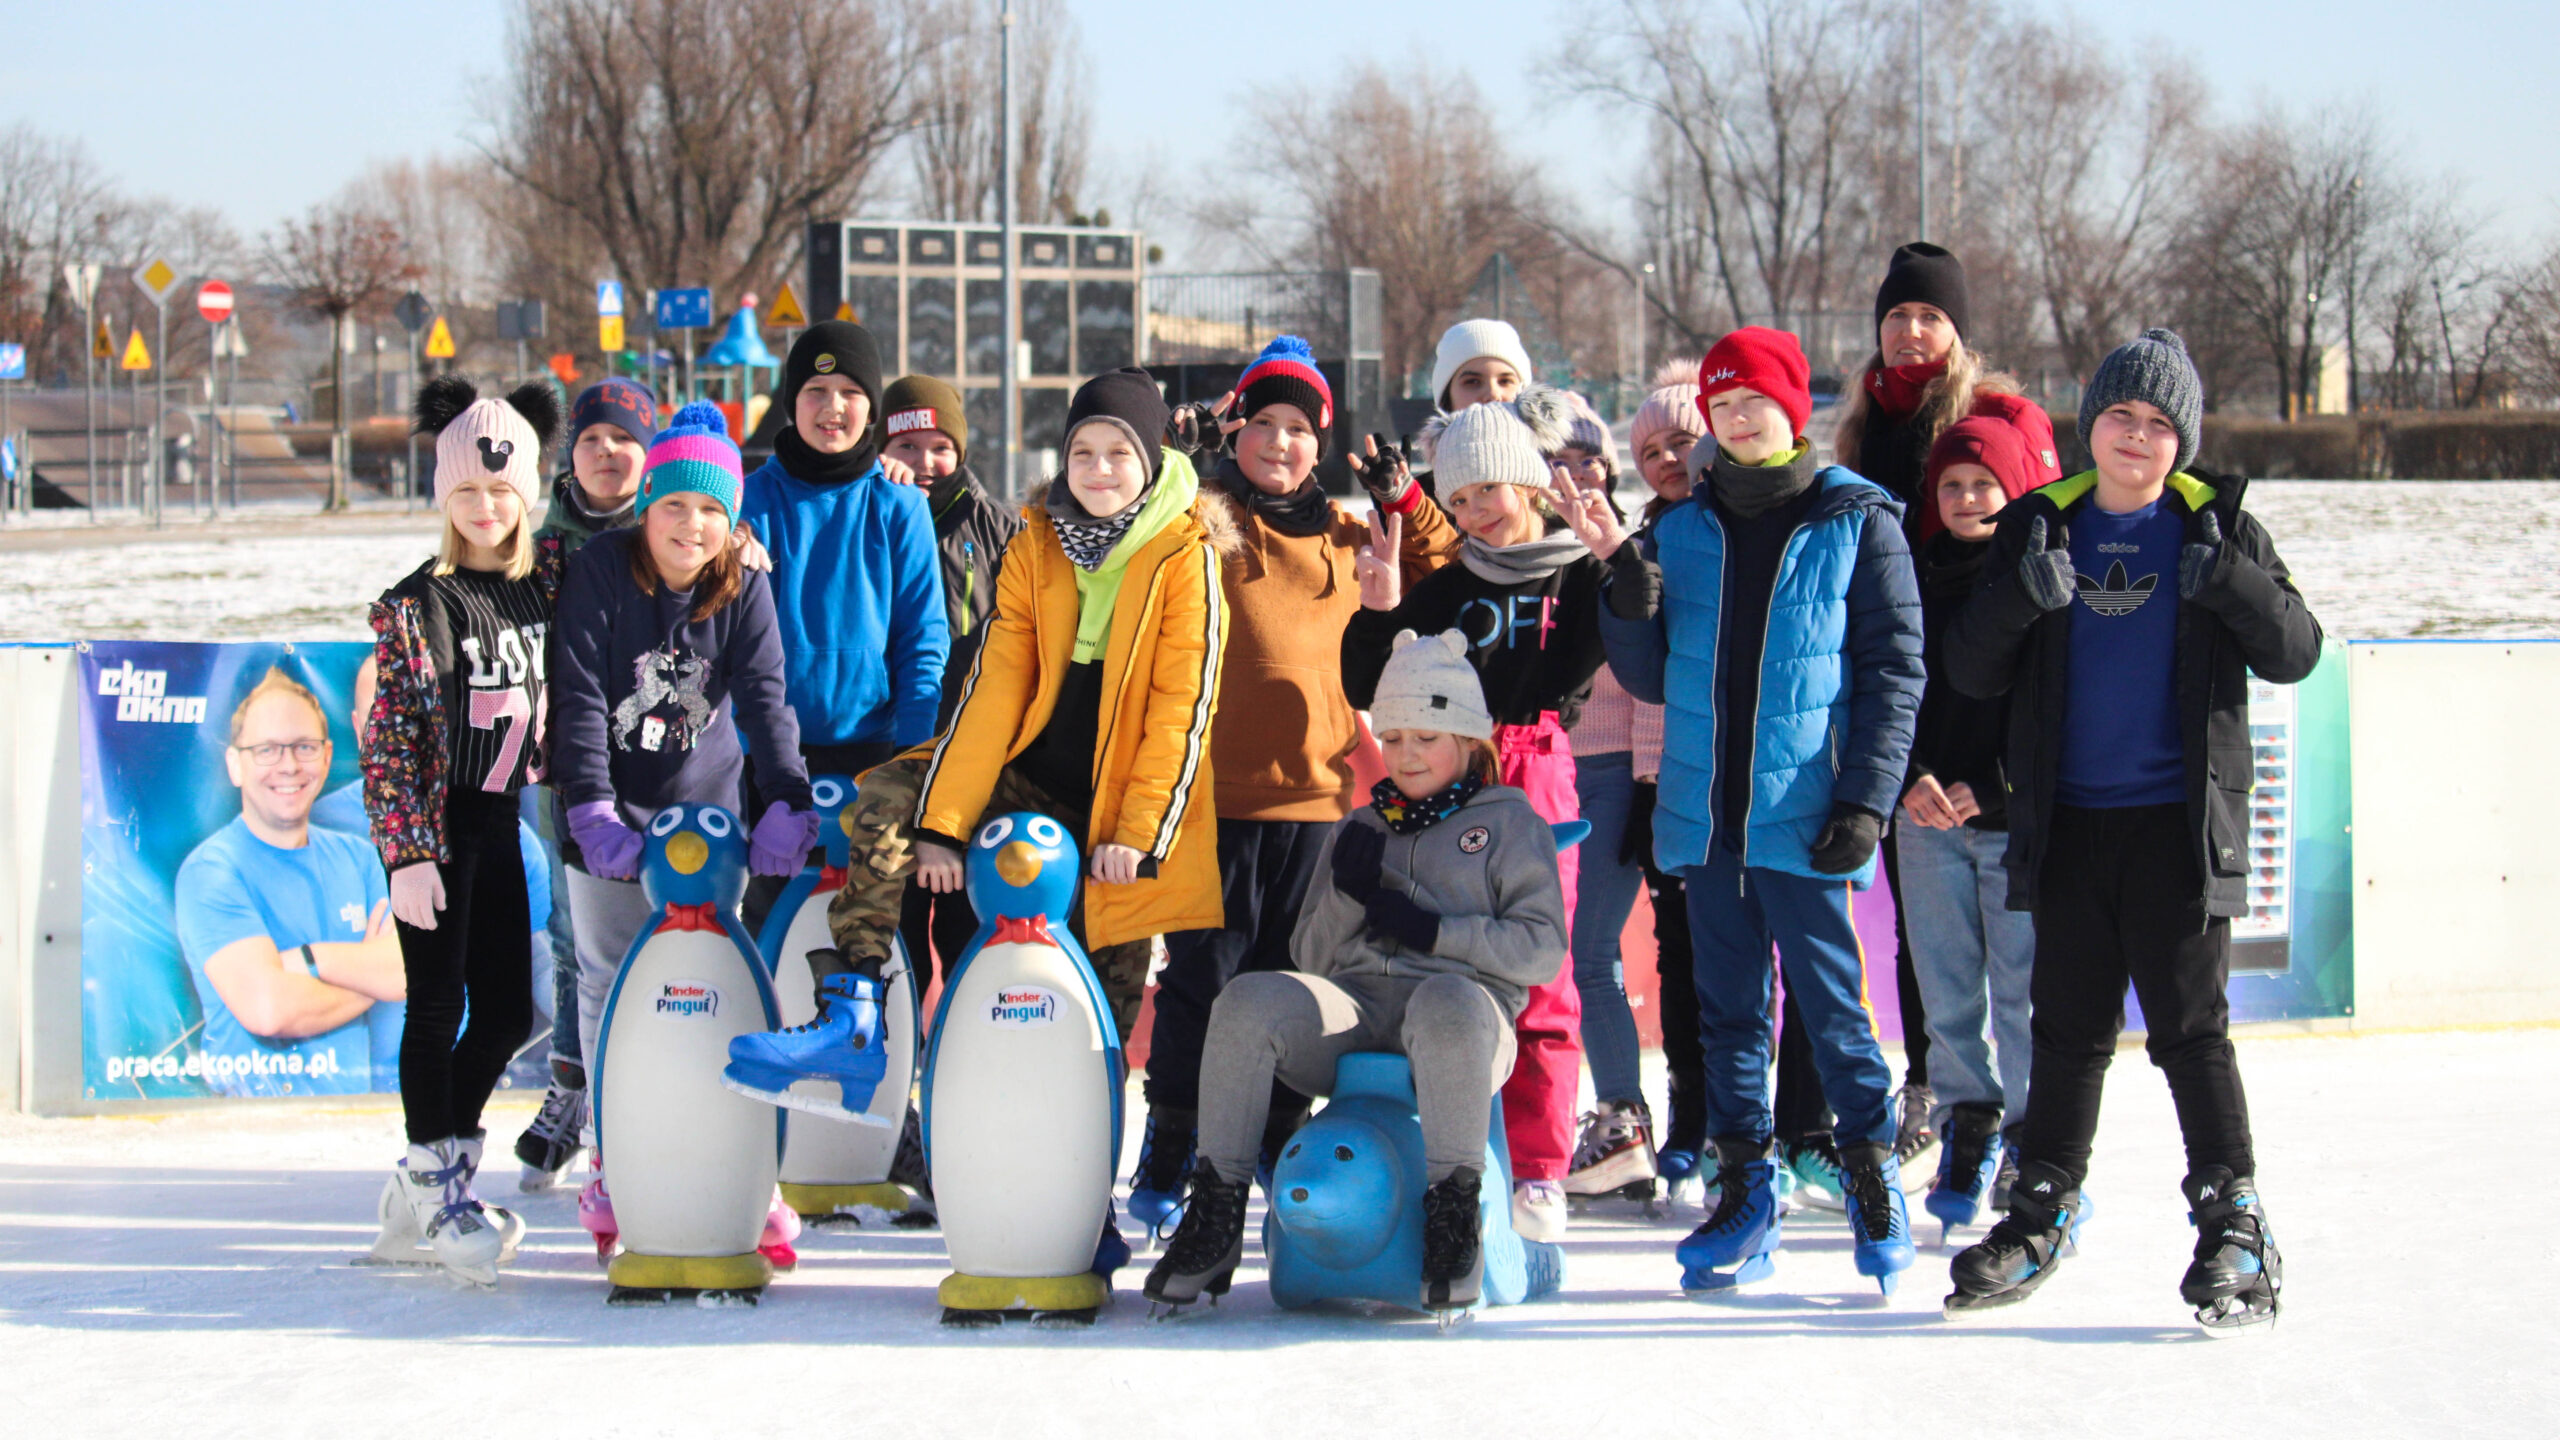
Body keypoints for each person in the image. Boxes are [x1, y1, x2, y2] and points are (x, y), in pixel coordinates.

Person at [1942, 329, 2320, 1332]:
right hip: (2069, 828)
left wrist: (2229, 584)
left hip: (2177, 835)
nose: (2138, 438)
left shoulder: (2217, 527)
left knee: (2191, 1036)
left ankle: (2232, 1224)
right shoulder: (2039, 528)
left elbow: (2295, 651)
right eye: (2121, 416)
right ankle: (2040, 1212)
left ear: (2181, 440)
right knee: (2066, 1034)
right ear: (2090, 426)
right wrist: (2020, 601)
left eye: (2159, 424)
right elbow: (1968, 670)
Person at [732, 369, 1233, 1099]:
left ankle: (1083, 1158)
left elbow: (1181, 711)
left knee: (1105, 993)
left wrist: (1135, 832)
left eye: (1118, 453)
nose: (1097, 470)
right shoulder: (1039, 544)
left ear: (1151, 461)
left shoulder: (1186, 558)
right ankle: (854, 1015)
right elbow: (994, 693)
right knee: (886, 796)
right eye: (1082, 452)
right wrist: (943, 821)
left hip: (1122, 805)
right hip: (1026, 772)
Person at [1594, 327, 1925, 1294]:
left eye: (1754, 402)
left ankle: (1870, 1174)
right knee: (1728, 1014)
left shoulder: (1858, 521)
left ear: (1792, 408)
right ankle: (1746, 1189)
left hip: (1808, 812)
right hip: (1705, 820)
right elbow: (1649, 676)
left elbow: (1896, 673)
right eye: (1722, 403)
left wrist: (1866, 798)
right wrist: (1627, 599)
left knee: (1831, 1010)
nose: (1737, 418)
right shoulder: (1682, 530)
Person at [1125, 336, 1459, 1233]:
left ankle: (1274, 1136)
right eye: (1262, 424)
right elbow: (1132, 525)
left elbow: (1445, 571)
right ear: (1236, 434)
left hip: (1318, 806)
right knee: (1203, 979)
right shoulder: (1207, 520)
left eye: (1298, 428)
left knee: (1293, 984)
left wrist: (1405, 498)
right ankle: (1174, 1135)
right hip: (1215, 803)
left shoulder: (1354, 537)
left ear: (1322, 442)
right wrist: (1173, 453)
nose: (1280, 442)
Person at [1143, 628, 1567, 1315]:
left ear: (1466, 738)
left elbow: (1541, 948)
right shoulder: (1363, 823)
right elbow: (1311, 960)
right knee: (1249, 998)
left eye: (1424, 737)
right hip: (1360, 1008)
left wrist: (1435, 932)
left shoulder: (1510, 823)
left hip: (1463, 1019)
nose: (1405, 755)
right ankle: (1216, 1212)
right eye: (1392, 737)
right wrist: (1346, 894)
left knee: (1446, 1003)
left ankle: (1453, 1213)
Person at [1344, 385, 1643, 1243]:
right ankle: (1450, 1153)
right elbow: (1370, 686)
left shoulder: (1577, 569)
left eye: (1490, 490)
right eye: (1460, 496)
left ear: (1529, 482)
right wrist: (1379, 609)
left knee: (1535, 965)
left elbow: (1639, 625)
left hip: (1539, 767)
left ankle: (1541, 1167)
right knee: (1441, 960)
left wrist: (1616, 559)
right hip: (1451, 770)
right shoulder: (1446, 587)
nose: (1476, 511)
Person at [548, 401, 817, 1269]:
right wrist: (589, 807)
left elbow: (769, 700)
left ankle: (736, 1163)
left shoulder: (744, 584)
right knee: (606, 986)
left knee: (709, 981)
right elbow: (582, 692)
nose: (691, 525)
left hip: (704, 825)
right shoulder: (599, 571)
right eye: (674, 505)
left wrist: (786, 800)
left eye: (711, 510)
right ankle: (613, 1160)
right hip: (610, 816)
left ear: (731, 519)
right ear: (648, 502)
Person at [1824, 242, 2063, 1176]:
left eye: (1930, 316)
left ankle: (2027, 1133)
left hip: (1990, 702)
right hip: (1906, 698)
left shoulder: (1990, 418)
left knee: (2015, 974)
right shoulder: (1863, 427)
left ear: (1958, 330)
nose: (1912, 331)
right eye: (1897, 317)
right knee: (1936, 949)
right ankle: (1946, 1092)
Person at [363, 377, 563, 1285]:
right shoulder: (418, 603)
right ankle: (437, 1190)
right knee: (438, 1005)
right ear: (445, 497)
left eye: (501, 490)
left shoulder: (544, 582)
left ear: (527, 491)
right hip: (437, 830)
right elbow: (393, 736)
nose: (486, 508)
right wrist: (405, 853)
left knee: (512, 1011)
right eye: (468, 493)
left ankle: (430, 1176)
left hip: (500, 818)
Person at [734, 321, 949, 940]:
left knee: (879, 938)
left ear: (873, 408)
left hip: (874, 758)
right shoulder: (749, 503)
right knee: (775, 931)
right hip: (773, 759)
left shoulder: (899, 505)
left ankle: (890, 1039)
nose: (833, 408)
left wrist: (910, 764)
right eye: (816, 390)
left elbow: (921, 644)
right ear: (791, 402)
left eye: (852, 392)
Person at [1897, 415, 2044, 1242]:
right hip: (1924, 821)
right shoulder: (1911, 576)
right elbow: (1887, 689)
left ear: (2015, 489)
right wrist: (1909, 779)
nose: (1966, 498)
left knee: (2020, 992)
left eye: (1984, 483)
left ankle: (2029, 1138)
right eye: (1951, 484)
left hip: (2008, 819)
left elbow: (2054, 707)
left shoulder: (2035, 581)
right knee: (1947, 991)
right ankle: (1968, 1125)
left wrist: (1995, 787)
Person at [174, 669, 404, 1098]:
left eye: (304, 747)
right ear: (235, 765)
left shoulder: (359, 859)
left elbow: (407, 973)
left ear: (326, 755)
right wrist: (368, 985)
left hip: (353, 1114)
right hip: (252, 1121)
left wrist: (305, 960)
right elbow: (268, 1009)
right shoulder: (211, 871)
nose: (289, 765)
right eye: (266, 750)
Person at [878, 373, 1023, 989]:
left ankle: (959, 1057)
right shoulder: (871, 511)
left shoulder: (996, 526)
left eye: (940, 446)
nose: (925, 462)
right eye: (907, 446)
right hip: (892, 745)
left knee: (966, 926)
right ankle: (894, 1053)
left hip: (971, 754)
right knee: (896, 925)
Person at [1615, 364, 1711, 1193]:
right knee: (1679, 951)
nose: (1669, 460)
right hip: (1666, 777)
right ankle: (1692, 1110)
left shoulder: (1740, 528)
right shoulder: (1642, 542)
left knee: (1751, 957)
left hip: (1744, 774)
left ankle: (1776, 1121)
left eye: (1683, 440)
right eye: (1650, 451)